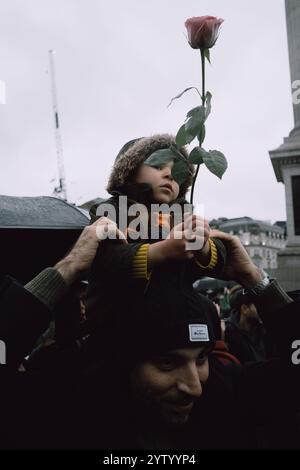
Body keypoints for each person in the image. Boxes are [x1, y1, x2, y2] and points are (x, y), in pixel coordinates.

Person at [1, 228, 300, 449]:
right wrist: (66, 270)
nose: (194, 387)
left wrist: (254, 279)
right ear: (122, 361)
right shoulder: (65, 412)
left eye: (201, 358)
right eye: (167, 363)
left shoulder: (228, 394)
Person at [85, 134, 227, 332]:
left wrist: (203, 247)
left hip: (172, 322)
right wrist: (163, 250)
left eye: (176, 173)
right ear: (130, 171)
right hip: (120, 325)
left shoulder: (182, 215)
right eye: (159, 167)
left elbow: (221, 255)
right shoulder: (111, 210)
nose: (169, 174)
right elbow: (106, 259)